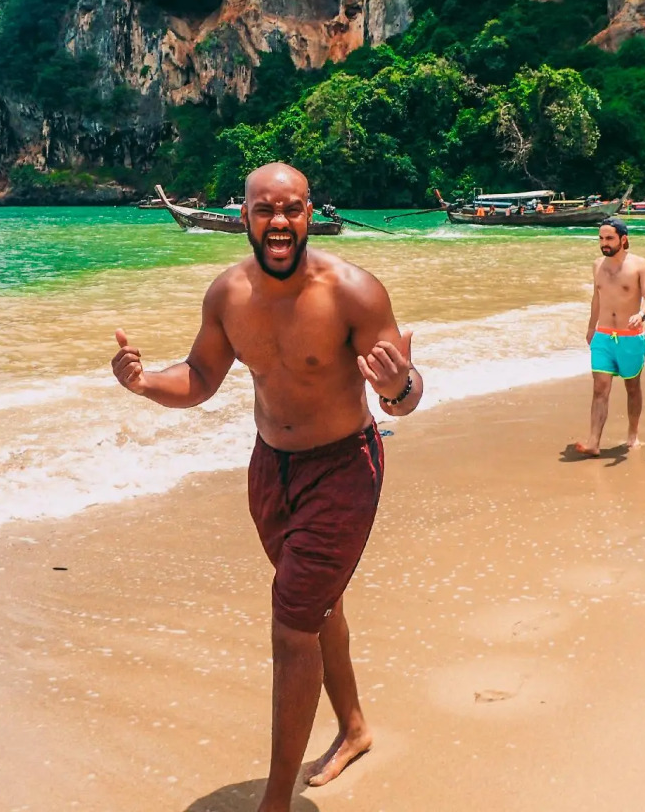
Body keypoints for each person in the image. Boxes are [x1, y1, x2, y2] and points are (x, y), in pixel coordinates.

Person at [110, 163, 423, 812]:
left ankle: (275, 802)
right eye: (264, 210)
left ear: (309, 213)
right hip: (269, 470)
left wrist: (397, 386)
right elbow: (199, 378)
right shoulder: (227, 296)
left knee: (290, 622)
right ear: (243, 215)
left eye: (291, 209)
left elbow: (405, 395)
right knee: (318, 608)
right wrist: (143, 383)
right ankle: (355, 729)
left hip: (344, 471)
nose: (278, 222)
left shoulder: (354, 292)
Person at [577, 218, 645, 455]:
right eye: (601, 238)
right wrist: (591, 327)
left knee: (632, 387)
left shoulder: (640, 265)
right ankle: (593, 442)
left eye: (609, 238)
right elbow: (597, 298)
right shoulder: (597, 265)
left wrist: (641, 314)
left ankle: (633, 435)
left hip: (630, 337)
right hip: (603, 336)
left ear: (623, 239)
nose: (604, 243)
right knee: (600, 388)